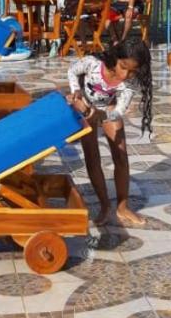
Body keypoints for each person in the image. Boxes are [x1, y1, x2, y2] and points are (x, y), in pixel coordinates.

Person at [66, 38, 154, 229]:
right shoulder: (93, 64)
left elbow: (118, 112)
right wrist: (76, 91)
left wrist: (101, 114)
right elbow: (72, 70)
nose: (125, 75)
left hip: (109, 108)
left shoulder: (129, 84)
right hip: (85, 106)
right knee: (92, 157)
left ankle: (123, 207)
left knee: (121, 157)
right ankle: (105, 206)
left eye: (133, 71)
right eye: (123, 67)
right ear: (116, 58)